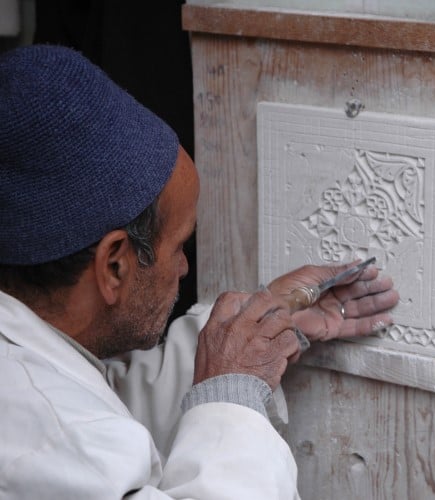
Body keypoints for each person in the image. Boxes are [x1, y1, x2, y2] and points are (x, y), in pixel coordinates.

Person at [0, 45, 399, 499]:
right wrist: (232, 398)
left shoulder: (34, 368)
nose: (186, 265)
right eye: (179, 244)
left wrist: (251, 330)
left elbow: (103, 395)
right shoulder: (49, 441)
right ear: (114, 264)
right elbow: (84, 429)